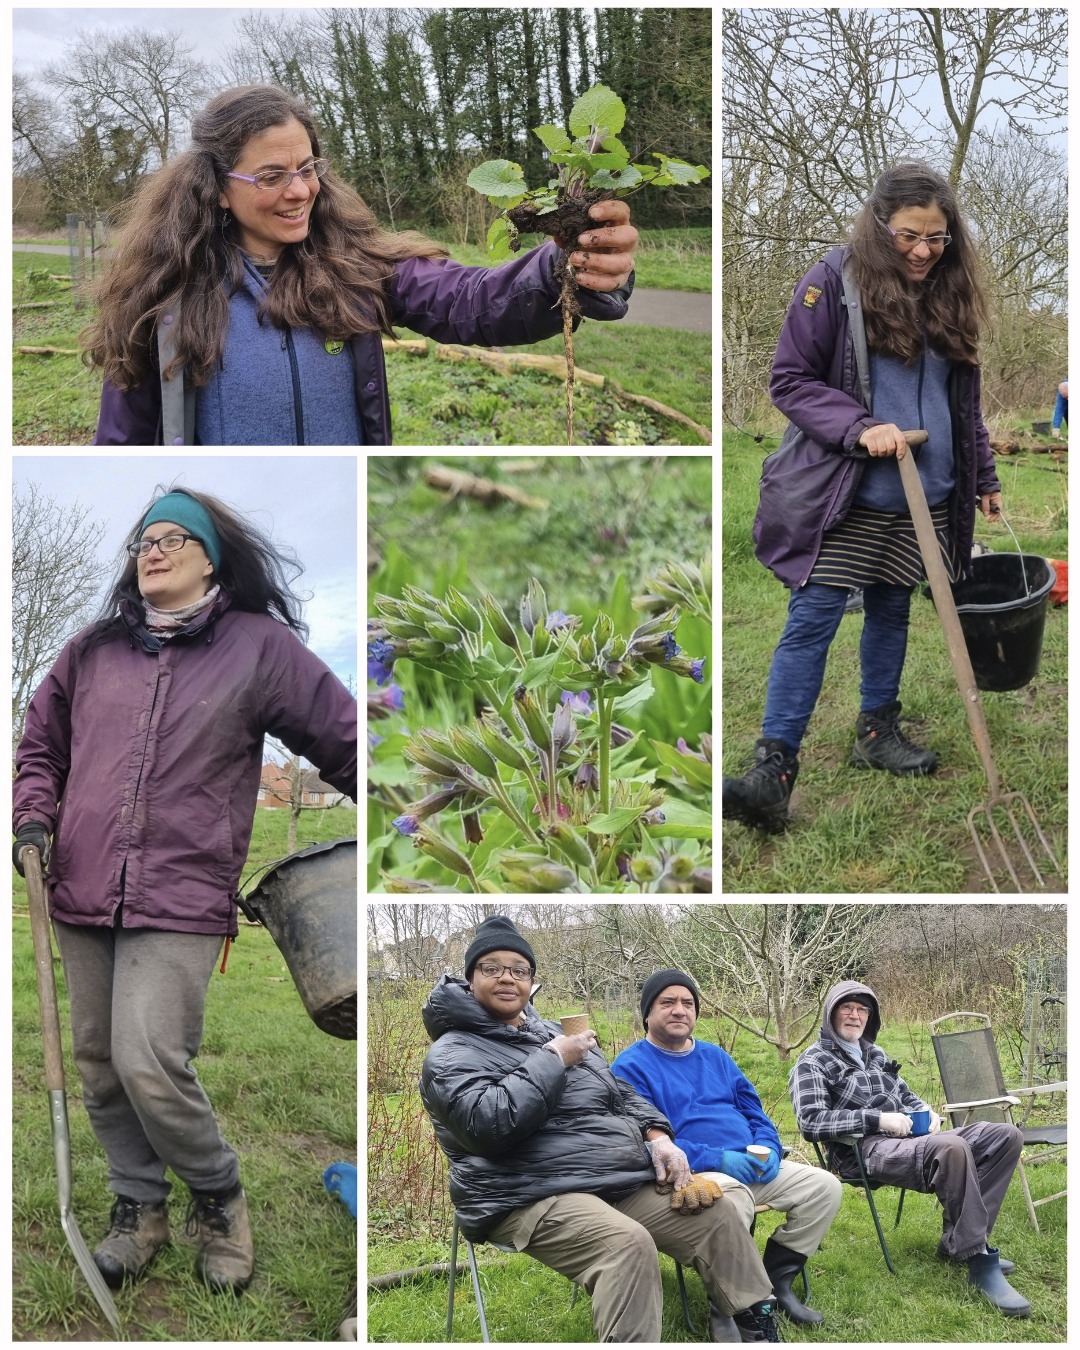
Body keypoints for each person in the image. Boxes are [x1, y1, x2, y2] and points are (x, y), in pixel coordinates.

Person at [12, 487, 358, 1294]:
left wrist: (414, 825)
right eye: (142, 541)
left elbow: (347, 740)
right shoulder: (91, 651)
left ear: (211, 556)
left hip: (184, 892)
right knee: (97, 1062)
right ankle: (140, 1208)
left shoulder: (258, 647)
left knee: (149, 1058)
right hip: (81, 884)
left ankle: (219, 1199)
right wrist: (33, 820)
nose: (153, 551)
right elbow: (40, 748)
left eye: (172, 538)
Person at [83, 84, 637, 445]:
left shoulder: (353, 267)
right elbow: (121, 442)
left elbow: (475, 301)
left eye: (308, 167)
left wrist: (567, 263)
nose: (300, 191)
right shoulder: (167, 300)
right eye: (272, 176)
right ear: (219, 190)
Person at [724, 162, 1002, 833]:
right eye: (910, 235)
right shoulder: (832, 283)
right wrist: (858, 426)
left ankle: (877, 731)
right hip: (846, 491)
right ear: (880, 226)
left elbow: (962, 404)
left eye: (938, 238)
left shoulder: (950, 290)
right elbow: (790, 381)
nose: (923, 251)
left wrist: (984, 476)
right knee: (812, 618)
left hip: (925, 492)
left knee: (890, 611)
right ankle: (774, 765)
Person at [420, 917, 782, 1343]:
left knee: (717, 1212)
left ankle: (754, 1327)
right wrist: (553, 1059)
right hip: (525, 1192)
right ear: (470, 978)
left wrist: (659, 1138)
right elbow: (488, 1126)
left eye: (519, 970)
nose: (507, 978)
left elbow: (620, 1092)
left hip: (608, 1180)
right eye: (492, 968)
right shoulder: (451, 1053)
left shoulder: (551, 1032)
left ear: (532, 981)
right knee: (627, 1244)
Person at [611, 970, 841, 1326]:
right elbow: (645, 1138)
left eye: (687, 1003)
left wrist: (769, 1147)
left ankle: (778, 1283)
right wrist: (718, 1158)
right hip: (696, 1172)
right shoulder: (629, 1066)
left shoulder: (716, 1057)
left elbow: (754, 1111)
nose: (679, 1010)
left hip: (750, 1163)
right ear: (648, 1013)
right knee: (731, 1202)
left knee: (824, 1188)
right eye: (667, 1002)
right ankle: (729, 1306)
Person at [790, 980, 1029, 1318]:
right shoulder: (812, 1062)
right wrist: (877, 1120)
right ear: (831, 1014)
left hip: (910, 1140)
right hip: (861, 1152)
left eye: (862, 1010)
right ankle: (979, 1259)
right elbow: (811, 1122)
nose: (855, 1016)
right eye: (847, 1008)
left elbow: (906, 1095)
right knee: (952, 1147)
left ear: (869, 1018)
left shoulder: (875, 1054)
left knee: (1006, 1136)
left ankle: (957, 1241)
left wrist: (926, 1111)